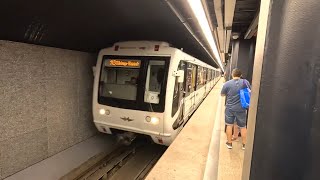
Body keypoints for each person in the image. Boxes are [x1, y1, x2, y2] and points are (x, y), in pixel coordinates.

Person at [221, 68, 250, 150]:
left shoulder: (227, 84)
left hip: (230, 108)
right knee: (243, 127)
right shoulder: (245, 82)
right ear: (240, 75)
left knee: (229, 125)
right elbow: (249, 91)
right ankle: (244, 144)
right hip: (241, 108)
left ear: (232, 74)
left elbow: (222, 94)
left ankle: (229, 143)